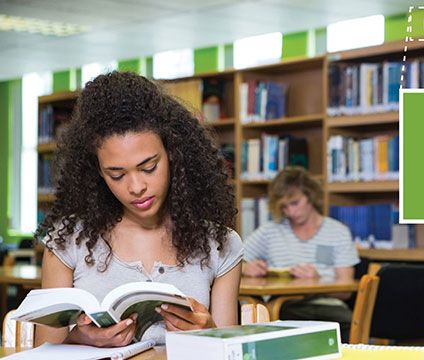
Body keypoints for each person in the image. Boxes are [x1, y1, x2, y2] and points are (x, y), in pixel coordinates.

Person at [35, 71, 242, 346]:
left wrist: (210, 332)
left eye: (149, 167)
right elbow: (42, 353)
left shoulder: (220, 245)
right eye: (116, 175)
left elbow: (230, 353)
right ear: (97, 172)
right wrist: (78, 338)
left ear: (173, 154)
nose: (136, 187)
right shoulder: (68, 242)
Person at [242, 166, 359, 341]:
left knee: (340, 321)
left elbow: (346, 291)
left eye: (295, 203)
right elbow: (231, 261)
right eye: (284, 207)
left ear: (310, 196)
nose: (291, 212)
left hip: (326, 305)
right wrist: (246, 268)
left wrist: (318, 280)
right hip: (282, 305)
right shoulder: (270, 232)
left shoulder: (338, 232)